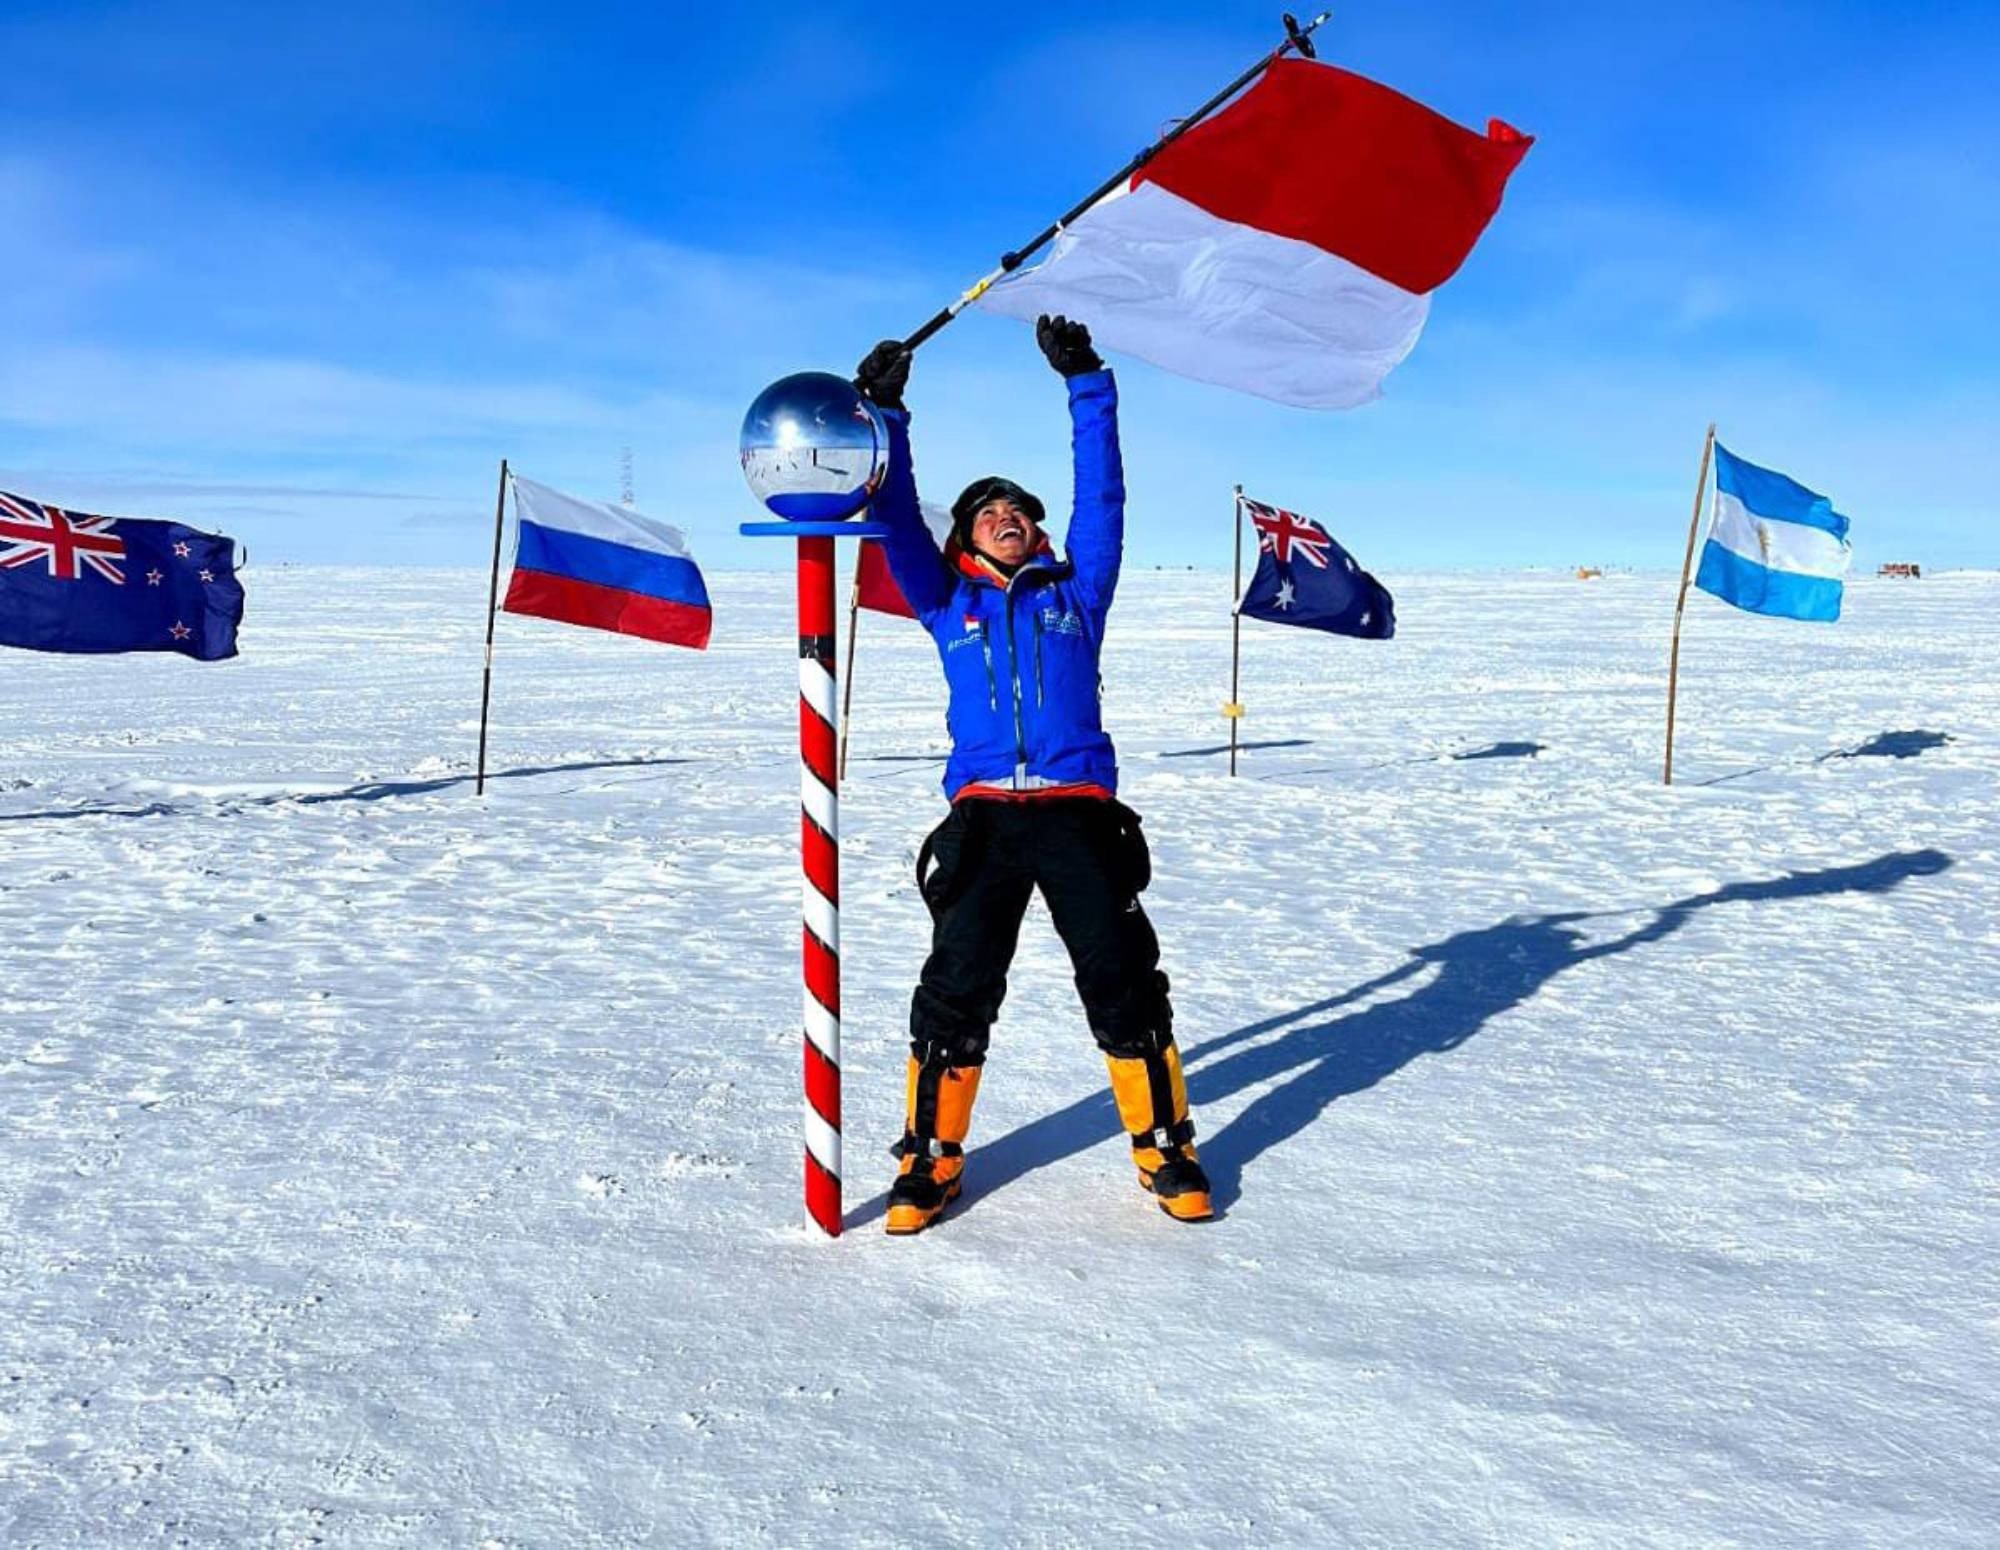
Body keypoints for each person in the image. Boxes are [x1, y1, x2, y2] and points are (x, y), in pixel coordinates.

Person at [853, 316, 1212, 1235]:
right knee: (956, 986)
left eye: (1020, 510)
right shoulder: (945, 602)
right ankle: (930, 1162)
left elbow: (1105, 501)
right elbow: (891, 516)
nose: (1009, 518)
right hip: (983, 819)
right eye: (988, 512)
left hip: (1078, 816)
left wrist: (1086, 382)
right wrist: (887, 415)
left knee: (1124, 979)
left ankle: (1163, 1146)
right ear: (968, 536)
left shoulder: (1075, 594)